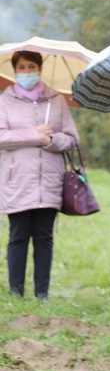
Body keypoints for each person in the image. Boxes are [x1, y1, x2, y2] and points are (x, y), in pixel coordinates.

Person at [0, 50, 80, 302]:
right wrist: (34, 134)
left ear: (40, 69)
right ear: (15, 71)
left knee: (44, 236)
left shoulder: (55, 100)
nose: (26, 72)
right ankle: (16, 292)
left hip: (50, 180)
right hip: (17, 180)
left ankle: (42, 293)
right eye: (21, 67)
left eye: (31, 66)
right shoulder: (5, 100)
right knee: (19, 235)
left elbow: (72, 138)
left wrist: (50, 140)